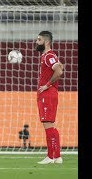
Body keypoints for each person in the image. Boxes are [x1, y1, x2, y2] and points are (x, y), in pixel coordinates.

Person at [35, 31, 64, 164]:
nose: (36, 42)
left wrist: (47, 85)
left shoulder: (48, 55)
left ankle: (52, 157)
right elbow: (59, 66)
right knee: (49, 124)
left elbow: (59, 71)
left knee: (48, 124)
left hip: (48, 93)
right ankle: (56, 156)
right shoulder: (48, 56)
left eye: (39, 40)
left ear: (46, 42)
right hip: (47, 93)